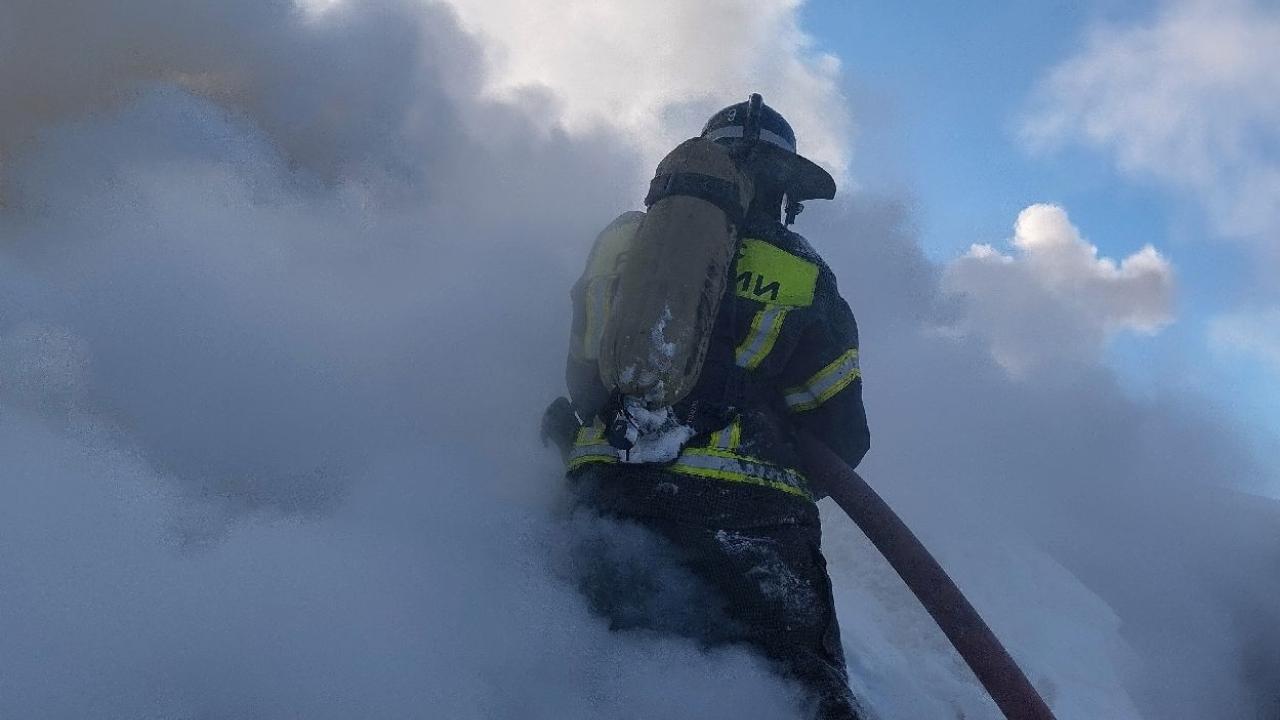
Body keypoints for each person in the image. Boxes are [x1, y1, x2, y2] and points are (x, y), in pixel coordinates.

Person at [545, 94, 870, 720]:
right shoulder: (800, 270)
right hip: (751, 527)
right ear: (783, 188)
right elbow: (841, 430)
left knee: (581, 685)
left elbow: (585, 380)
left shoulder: (617, 245)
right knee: (798, 698)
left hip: (605, 506)